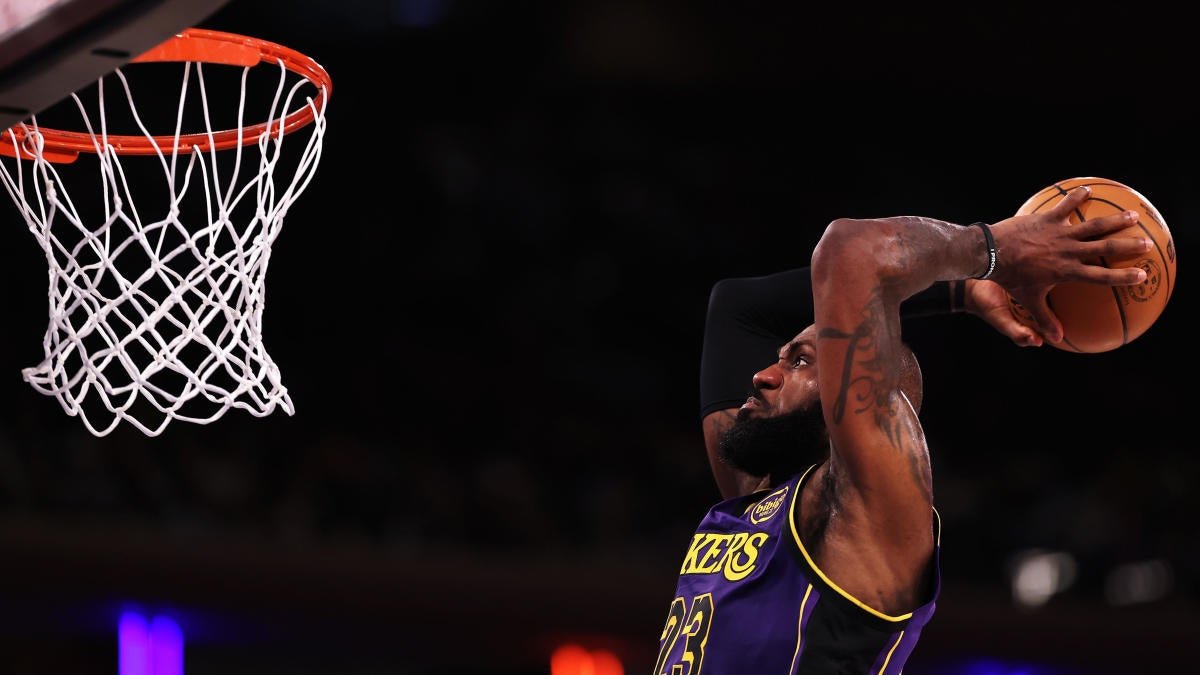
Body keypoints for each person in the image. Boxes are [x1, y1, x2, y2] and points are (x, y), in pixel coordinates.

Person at [652, 185, 1151, 674]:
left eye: (800, 361)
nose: (763, 375)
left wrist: (995, 249)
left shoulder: (863, 506)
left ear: (860, 400)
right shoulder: (758, 494)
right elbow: (737, 307)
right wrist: (962, 291)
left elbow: (850, 250)